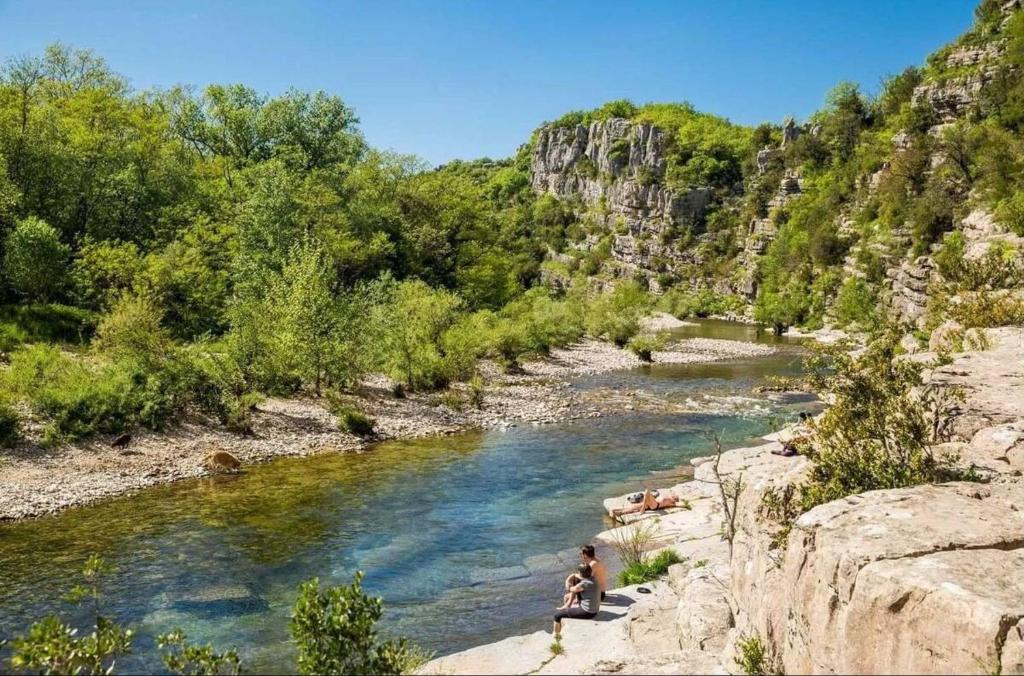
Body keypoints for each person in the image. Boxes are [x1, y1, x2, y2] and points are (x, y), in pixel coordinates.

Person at [553, 564, 600, 638]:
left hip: (587, 612)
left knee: (557, 616)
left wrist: (568, 580)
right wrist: (574, 575)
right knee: (576, 581)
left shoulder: (585, 584)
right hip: (595, 610)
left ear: (580, 573)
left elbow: (570, 589)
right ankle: (568, 605)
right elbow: (578, 577)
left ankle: (556, 636)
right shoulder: (593, 578)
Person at [608, 488, 679, 520]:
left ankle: (643, 509)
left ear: (674, 499)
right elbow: (670, 492)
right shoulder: (668, 497)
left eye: (675, 495)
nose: (674, 494)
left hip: (655, 505)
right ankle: (617, 511)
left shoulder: (671, 502)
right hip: (650, 504)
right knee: (633, 508)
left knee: (647, 491)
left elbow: (678, 504)